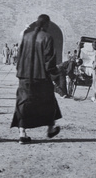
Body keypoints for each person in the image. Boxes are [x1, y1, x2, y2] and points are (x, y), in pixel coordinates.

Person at [11, 14, 61, 144]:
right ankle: (50, 129)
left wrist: (20, 72)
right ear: (46, 25)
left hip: (24, 76)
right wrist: (56, 73)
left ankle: (22, 133)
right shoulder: (47, 38)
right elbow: (49, 61)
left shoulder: (26, 37)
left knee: (23, 103)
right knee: (48, 100)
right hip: (40, 77)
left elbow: (19, 56)